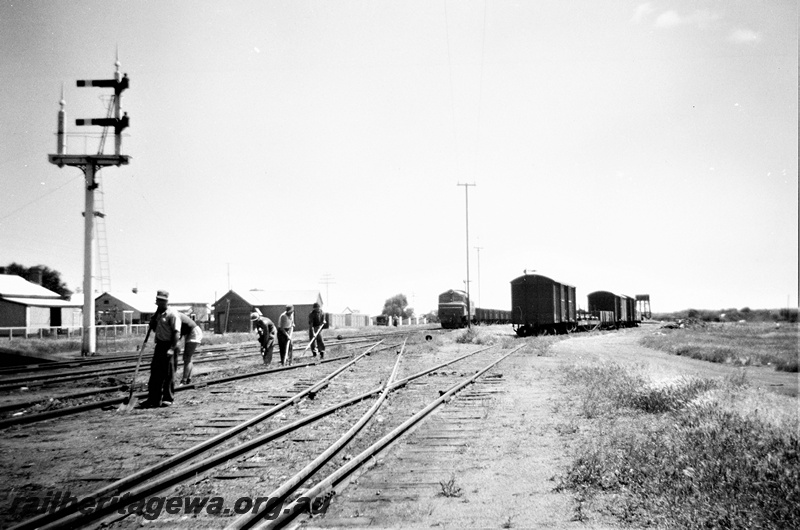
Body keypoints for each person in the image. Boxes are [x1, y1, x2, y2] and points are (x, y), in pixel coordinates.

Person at [137, 290, 180, 409]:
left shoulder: (172, 314)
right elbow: (157, 330)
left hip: (170, 345)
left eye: (160, 301)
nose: (158, 303)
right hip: (160, 345)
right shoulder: (158, 315)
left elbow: (177, 333)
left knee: (168, 374)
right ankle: (153, 399)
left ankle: (168, 399)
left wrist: (172, 348)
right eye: (157, 301)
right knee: (155, 373)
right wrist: (152, 323)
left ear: (165, 301)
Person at [175, 312, 203, 386]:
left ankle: (184, 381)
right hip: (192, 332)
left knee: (187, 358)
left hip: (194, 333)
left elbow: (179, 334)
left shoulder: (175, 316)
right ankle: (188, 378)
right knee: (188, 358)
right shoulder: (176, 315)